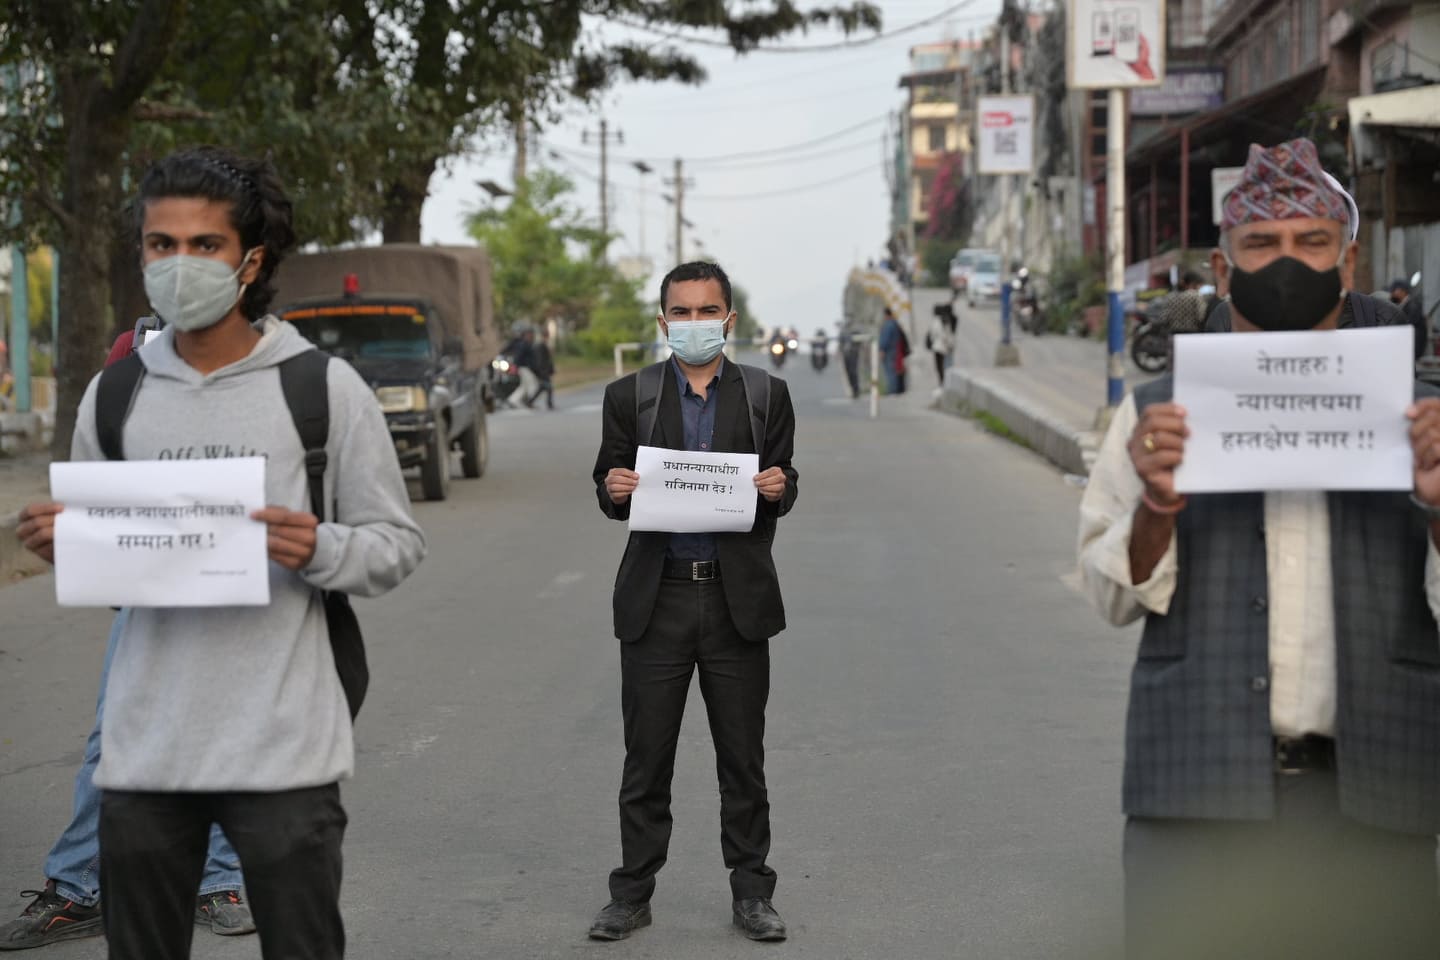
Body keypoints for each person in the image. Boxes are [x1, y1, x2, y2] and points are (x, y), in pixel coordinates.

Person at [14, 146, 426, 960]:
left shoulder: (320, 390)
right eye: (160, 244)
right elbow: (116, 566)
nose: (178, 264)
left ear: (251, 260)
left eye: (204, 245)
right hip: (144, 754)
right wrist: (67, 544)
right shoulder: (119, 393)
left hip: (283, 753)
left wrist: (321, 546)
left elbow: (394, 546)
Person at [1078, 137, 1440, 960]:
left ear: (1347, 264)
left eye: (1312, 242)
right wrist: (1158, 509)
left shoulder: (1421, 418)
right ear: (1222, 264)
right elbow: (1109, 598)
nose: (1290, 262)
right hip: (1193, 801)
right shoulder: (1155, 415)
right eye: (1263, 244)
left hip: (1378, 803)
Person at [0, 322, 258, 952]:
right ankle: (79, 888)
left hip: (228, 574)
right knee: (114, 736)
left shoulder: (259, 353)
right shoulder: (129, 347)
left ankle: (216, 882)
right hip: (149, 580)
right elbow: (104, 466)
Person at [588, 260, 798, 943]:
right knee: (646, 759)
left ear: (728, 320)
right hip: (659, 601)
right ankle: (632, 892)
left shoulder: (766, 396)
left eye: (708, 311)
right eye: (682, 312)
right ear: (663, 322)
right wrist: (615, 489)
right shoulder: (632, 395)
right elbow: (607, 486)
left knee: (743, 760)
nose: (695, 323)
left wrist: (777, 488)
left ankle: (752, 893)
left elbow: (785, 482)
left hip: (736, 603)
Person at [877, 307, 908, 395]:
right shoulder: (895, 323)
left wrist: (882, 349)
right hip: (895, 350)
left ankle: (892, 390)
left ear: (886, 315)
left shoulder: (888, 325)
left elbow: (885, 339)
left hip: (889, 351)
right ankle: (895, 389)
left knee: (890, 371)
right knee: (894, 370)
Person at [524, 329, 556, 410]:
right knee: (549, 387)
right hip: (542, 371)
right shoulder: (540, 346)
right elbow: (541, 360)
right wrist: (542, 371)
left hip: (544, 370)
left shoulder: (543, 345)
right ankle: (549, 404)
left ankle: (530, 401)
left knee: (542, 388)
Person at [925, 306, 955, 386]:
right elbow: (949, 334)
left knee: (939, 367)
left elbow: (933, 334)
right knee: (945, 366)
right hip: (945, 347)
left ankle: (942, 383)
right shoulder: (946, 320)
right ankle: (945, 382)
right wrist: (950, 344)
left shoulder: (936, 321)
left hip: (938, 347)